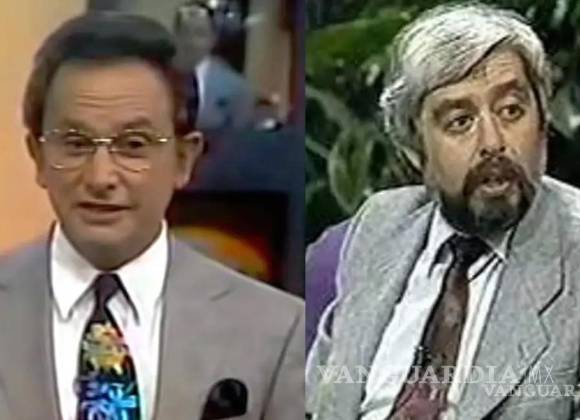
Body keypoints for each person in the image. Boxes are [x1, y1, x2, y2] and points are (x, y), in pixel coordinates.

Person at [0, 12, 304, 420]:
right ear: (38, 156)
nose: (101, 177)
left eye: (133, 145)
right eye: (75, 143)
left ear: (183, 159)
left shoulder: (278, 331)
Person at [306, 4, 580, 420]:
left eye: (511, 110)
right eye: (460, 121)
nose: (493, 142)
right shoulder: (381, 222)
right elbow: (319, 399)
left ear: (543, 125)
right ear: (414, 151)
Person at [173, 0, 255, 132]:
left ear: (213, 38)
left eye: (199, 34)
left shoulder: (236, 88)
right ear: (175, 36)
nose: (190, 41)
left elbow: (240, 139)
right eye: (185, 32)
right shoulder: (159, 77)